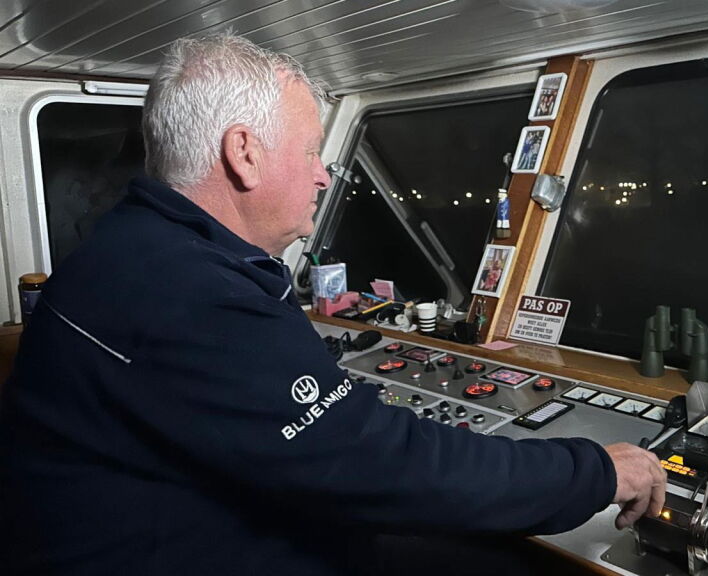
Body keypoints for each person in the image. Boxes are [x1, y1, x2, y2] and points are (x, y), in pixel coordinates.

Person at [0, 34, 666, 575]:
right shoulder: (196, 295)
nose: (324, 173)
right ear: (244, 154)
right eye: (312, 150)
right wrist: (592, 470)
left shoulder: (129, 244)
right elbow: (381, 465)